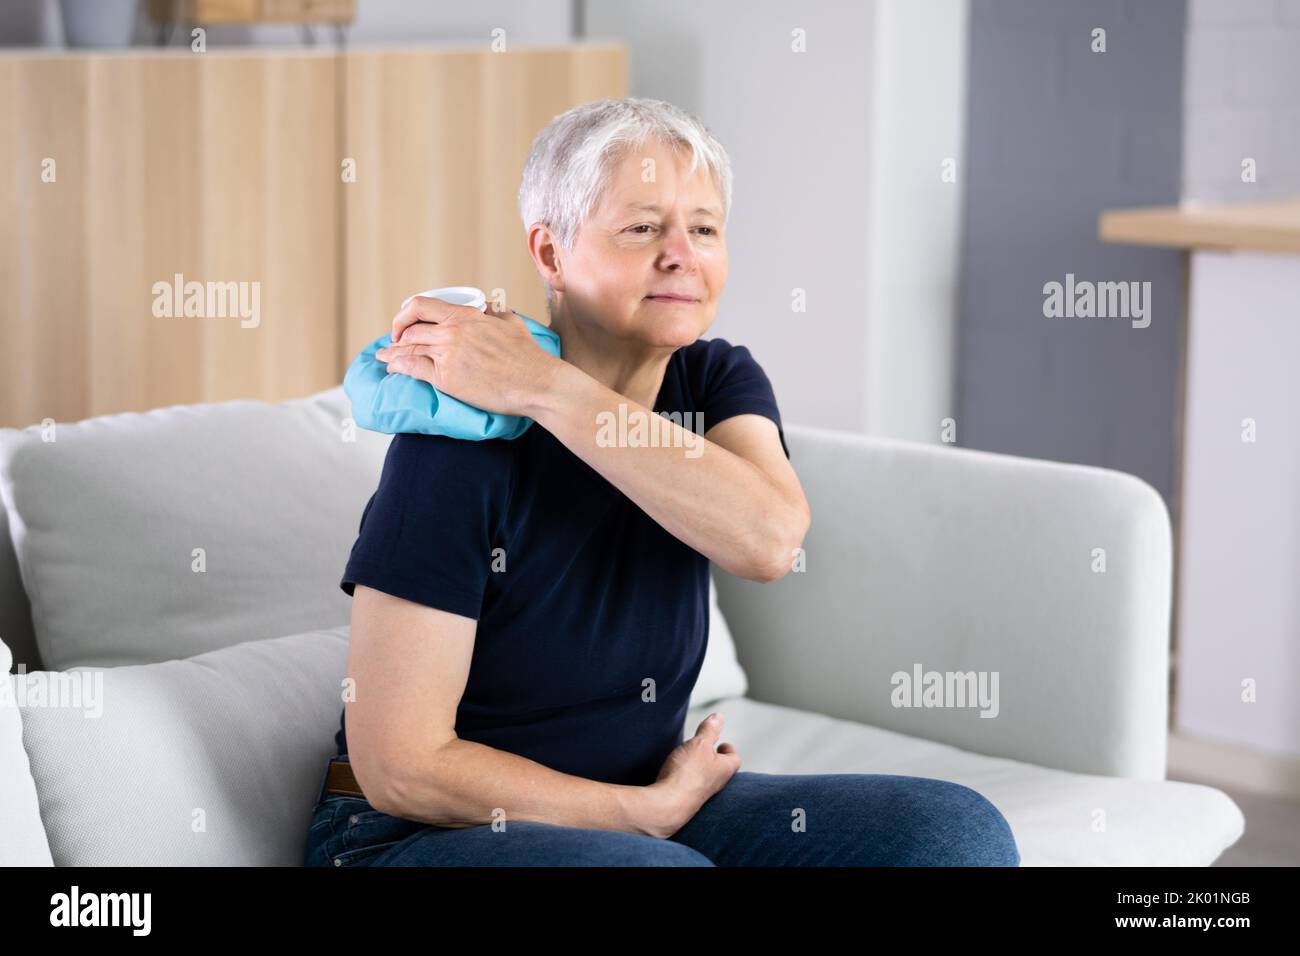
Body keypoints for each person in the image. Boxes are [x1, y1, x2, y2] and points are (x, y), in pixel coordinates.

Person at [303, 96, 1020, 867]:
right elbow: (401, 767)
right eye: (643, 228)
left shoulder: (712, 382)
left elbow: (770, 539)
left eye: (704, 229)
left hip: (645, 810)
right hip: (425, 834)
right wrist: (636, 815)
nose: (682, 254)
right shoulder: (457, 435)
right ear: (550, 254)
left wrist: (546, 387)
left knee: (952, 834)